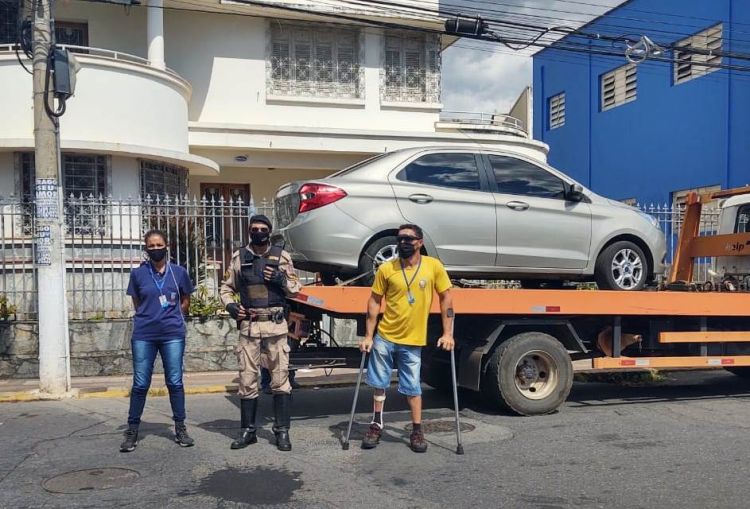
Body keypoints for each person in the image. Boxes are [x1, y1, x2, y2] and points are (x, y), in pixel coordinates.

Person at [359, 224, 454, 453]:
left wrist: (448, 333)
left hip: (413, 340)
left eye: (409, 239)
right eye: (400, 238)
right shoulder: (387, 268)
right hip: (385, 336)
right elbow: (374, 301)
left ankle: (417, 430)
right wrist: (368, 336)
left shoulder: (433, 267)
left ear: (420, 242)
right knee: (379, 384)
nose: (403, 242)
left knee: (412, 387)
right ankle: (376, 424)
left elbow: (446, 300)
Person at [220, 214, 301, 452]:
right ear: (249, 231)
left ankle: (282, 431)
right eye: (254, 228)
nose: (258, 232)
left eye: (262, 229)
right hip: (249, 327)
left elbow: (296, 289)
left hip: (275, 326)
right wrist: (230, 306)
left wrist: (281, 279)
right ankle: (248, 431)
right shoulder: (239, 257)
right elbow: (226, 288)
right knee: (246, 380)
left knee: (280, 381)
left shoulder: (282, 257)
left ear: (269, 231)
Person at [120, 229, 195, 453]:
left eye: (158, 245)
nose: (155, 249)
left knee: (175, 381)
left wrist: (172, 317)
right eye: (151, 246)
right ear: (146, 248)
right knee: (141, 383)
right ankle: (132, 430)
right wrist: (150, 317)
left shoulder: (178, 272)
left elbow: (185, 299)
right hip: (144, 334)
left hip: (172, 334)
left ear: (166, 245)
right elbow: (137, 301)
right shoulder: (138, 274)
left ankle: (180, 427)